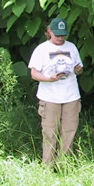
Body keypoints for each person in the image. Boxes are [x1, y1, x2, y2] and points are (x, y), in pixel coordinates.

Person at [28, 17, 84, 166]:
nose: (60, 38)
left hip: (71, 96)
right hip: (49, 98)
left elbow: (79, 68)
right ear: (49, 32)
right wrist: (49, 79)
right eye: (57, 34)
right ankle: (48, 167)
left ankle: (64, 166)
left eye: (63, 35)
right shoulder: (42, 49)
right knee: (50, 134)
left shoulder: (71, 47)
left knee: (69, 133)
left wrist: (78, 70)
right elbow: (34, 73)